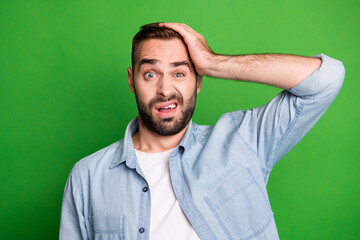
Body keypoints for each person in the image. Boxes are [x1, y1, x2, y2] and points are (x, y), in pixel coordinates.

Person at [59, 22, 345, 240]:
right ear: (132, 81)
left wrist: (212, 62)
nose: (165, 89)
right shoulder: (86, 177)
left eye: (180, 73)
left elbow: (326, 79)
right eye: (150, 74)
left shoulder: (244, 140)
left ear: (199, 81)